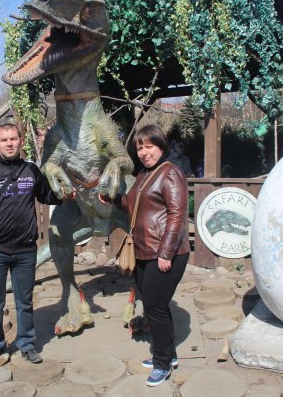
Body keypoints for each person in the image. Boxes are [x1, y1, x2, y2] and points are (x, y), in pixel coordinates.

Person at [0, 122, 62, 369]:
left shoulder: (31, 170)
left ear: (21, 141)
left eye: (13, 139)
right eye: (4, 140)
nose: (9, 144)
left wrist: (65, 192)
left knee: (24, 302)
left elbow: (47, 195)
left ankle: (26, 344)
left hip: (26, 250)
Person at [102, 124, 190, 387]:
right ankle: (168, 354)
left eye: (149, 146)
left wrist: (166, 252)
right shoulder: (143, 175)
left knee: (153, 307)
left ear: (161, 146)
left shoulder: (170, 173)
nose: (144, 152)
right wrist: (114, 199)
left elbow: (177, 215)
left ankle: (162, 364)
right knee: (157, 306)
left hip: (165, 253)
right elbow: (133, 206)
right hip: (144, 251)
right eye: (140, 148)